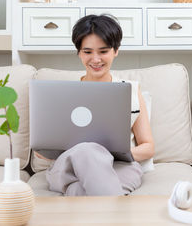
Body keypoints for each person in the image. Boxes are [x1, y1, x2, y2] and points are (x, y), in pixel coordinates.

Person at [35, 14, 154, 196]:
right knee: (86, 151)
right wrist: (48, 149)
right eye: (88, 52)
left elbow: (148, 147)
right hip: (69, 168)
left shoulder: (130, 90)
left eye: (103, 51)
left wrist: (110, 154)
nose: (96, 59)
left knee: (78, 190)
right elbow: (42, 150)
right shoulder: (62, 94)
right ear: (79, 52)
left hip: (119, 167)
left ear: (116, 50)